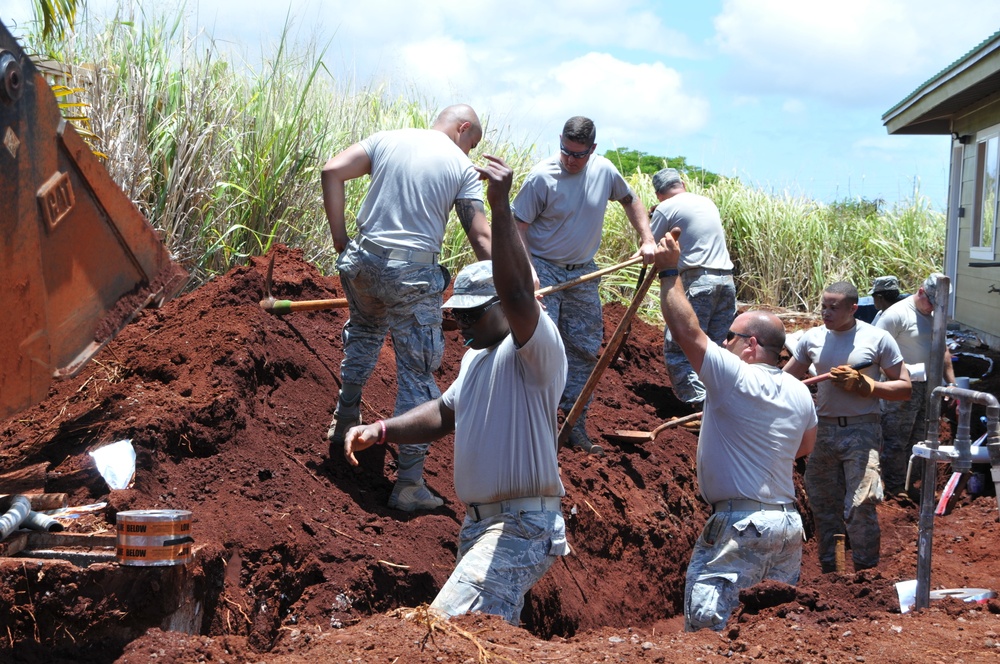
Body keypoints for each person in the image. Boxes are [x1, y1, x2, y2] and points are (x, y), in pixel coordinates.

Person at [344, 154, 570, 625]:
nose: (462, 322)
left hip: (521, 525)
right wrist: (381, 430)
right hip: (482, 525)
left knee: (446, 628)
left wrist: (501, 207)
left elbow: (518, 293)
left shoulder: (533, 348)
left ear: (504, 309)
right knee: (489, 636)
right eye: (458, 314)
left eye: (473, 313)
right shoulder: (475, 359)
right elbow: (443, 414)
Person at [321, 104, 493, 511]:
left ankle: (345, 419)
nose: (469, 153)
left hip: (361, 260)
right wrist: (506, 285)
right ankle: (409, 485)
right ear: (464, 128)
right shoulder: (460, 166)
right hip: (411, 276)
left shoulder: (388, 138)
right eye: (472, 144)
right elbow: (482, 239)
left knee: (363, 333)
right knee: (417, 372)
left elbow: (332, 171)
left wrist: (341, 241)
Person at [654, 227, 817, 631]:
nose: (722, 342)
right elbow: (802, 448)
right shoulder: (799, 392)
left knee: (710, 628)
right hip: (786, 526)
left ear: (751, 344)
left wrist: (669, 273)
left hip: (742, 524)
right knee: (767, 629)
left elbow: (687, 332)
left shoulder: (735, 377)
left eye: (728, 336)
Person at [512, 116, 656, 454]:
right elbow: (517, 226)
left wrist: (646, 238)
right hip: (544, 270)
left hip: (582, 275)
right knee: (539, 346)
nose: (570, 160)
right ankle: (532, 426)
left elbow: (631, 199)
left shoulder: (604, 171)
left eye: (579, 154)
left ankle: (573, 424)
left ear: (592, 149)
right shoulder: (541, 177)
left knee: (584, 348)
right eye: (565, 151)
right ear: (560, 140)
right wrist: (529, 271)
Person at [783, 282, 911, 573]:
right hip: (822, 431)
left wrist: (867, 385)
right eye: (823, 307)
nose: (826, 313)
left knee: (860, 505)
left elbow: (904, 388)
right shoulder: (811, 339)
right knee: (824, 506)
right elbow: (785, 380)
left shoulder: (877, 338)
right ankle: (832, 573)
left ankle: (866, 574)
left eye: (834, 307)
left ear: (853, 308)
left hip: (862, 431)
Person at [649, 167, 736, 409]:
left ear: (658, 195)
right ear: (682, 184)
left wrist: (654, 219)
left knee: (680, 345)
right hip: (726, 282)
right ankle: (719, 404)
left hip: (699, 282)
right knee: (713, 349)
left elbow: (649, 249)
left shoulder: (665, 208)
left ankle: (698, 407)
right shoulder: (705, 201)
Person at [875, 272, 956, 500]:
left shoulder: (935, 315)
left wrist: (951, 383)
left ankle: (913, 484)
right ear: (921, 291)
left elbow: (943, 351)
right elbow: (876, 352)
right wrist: (904, 374)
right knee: (896, 439)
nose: (933, 309)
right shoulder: (896, 315)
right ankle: (895, 487)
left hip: (929, 390)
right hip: (901, 388)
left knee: (920, 438)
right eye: (931, 302)